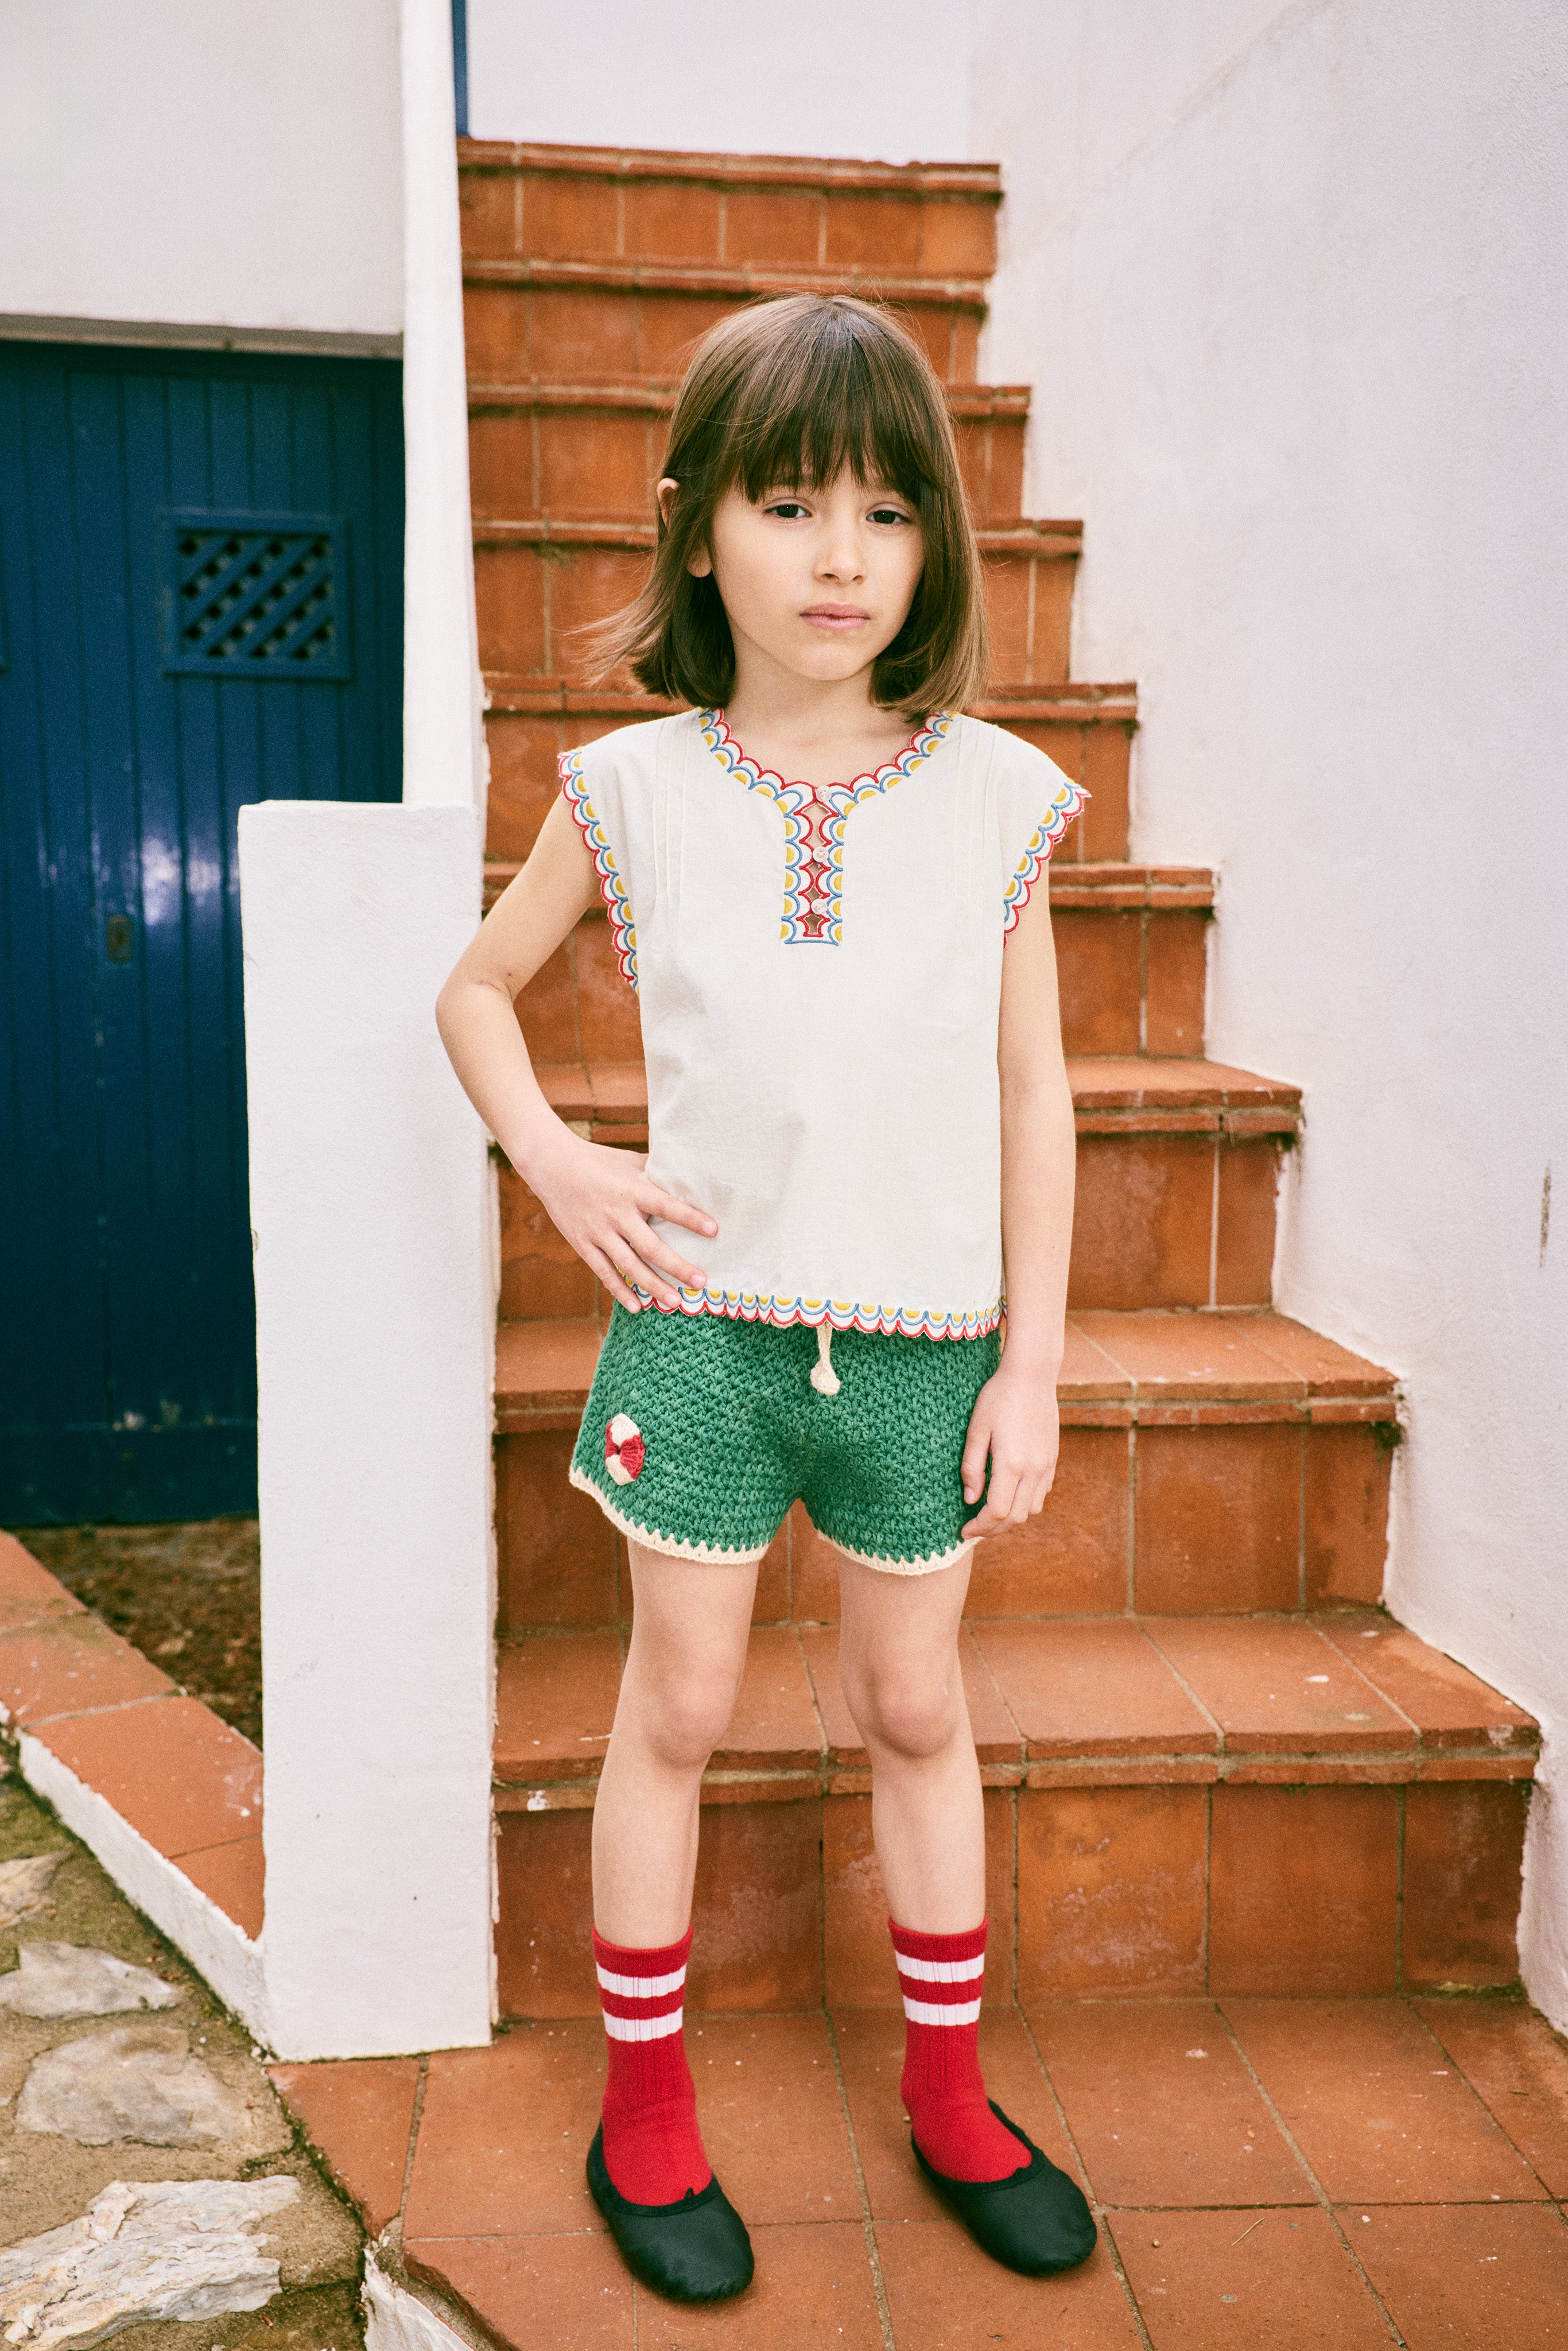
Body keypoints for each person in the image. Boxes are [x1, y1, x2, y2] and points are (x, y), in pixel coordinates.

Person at [436, 292, 1096, 2305]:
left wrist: (1034, 1368)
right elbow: (474, 992)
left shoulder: (995, 793)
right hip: (703, 1339)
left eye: (886, 513)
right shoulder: (629, 789)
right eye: (789, 503)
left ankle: (950, 2094)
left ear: (933, 548)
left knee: (912, 1706)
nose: (838, 557)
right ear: (696, 525)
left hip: (924, 1350)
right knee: (679, 1707)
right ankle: (643, 2111)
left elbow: (1033, 1088)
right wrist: (557, 1161)